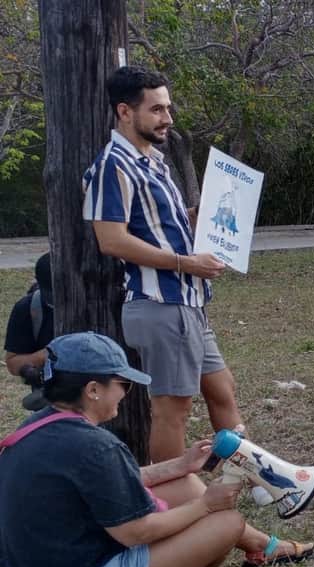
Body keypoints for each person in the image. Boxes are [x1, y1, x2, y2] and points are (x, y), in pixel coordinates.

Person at [0, 332, 312, 567]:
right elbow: (135, 533)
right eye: (123, 383)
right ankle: (257, 546)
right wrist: (205, 506)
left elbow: (104, 483)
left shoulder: (39, 426)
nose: (125, 393)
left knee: (186, 483)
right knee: (226, 522)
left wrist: (181, 465)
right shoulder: (97, 447)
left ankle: (262, 546)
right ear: (93, 389)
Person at [85, 66, 242, 464]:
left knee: (223, 390)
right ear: (124, 111)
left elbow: (161, 224)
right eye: (156, 109)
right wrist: (185, 263)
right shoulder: (113, 166)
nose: (167, 119)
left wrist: (201, 215)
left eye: (168, 108)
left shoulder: (152, 160)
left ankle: (247, 475)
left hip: (186, 304)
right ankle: (170, 497)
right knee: (173, 411)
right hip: (160, 303)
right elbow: (111, 240)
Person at [5, 253, 55, 410]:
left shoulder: (103, 301)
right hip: (51, 397)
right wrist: (47, 354)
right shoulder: (29, 308)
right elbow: (13, 364)